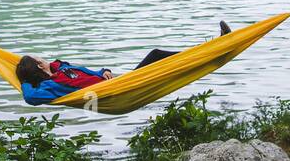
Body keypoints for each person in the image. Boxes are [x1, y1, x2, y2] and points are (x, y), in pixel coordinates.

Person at [15, 20, 233, 105]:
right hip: (115, 93)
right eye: (38, 58)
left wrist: (105, 70)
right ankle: (213, 48)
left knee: (158, 57)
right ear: (39, 67)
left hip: (117, 82)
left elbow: (90, 72)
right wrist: (24, 79)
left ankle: (212, 49)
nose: (41, 57)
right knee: (156, 55)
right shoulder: (49, 88)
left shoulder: (62, 68)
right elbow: (30, 97)